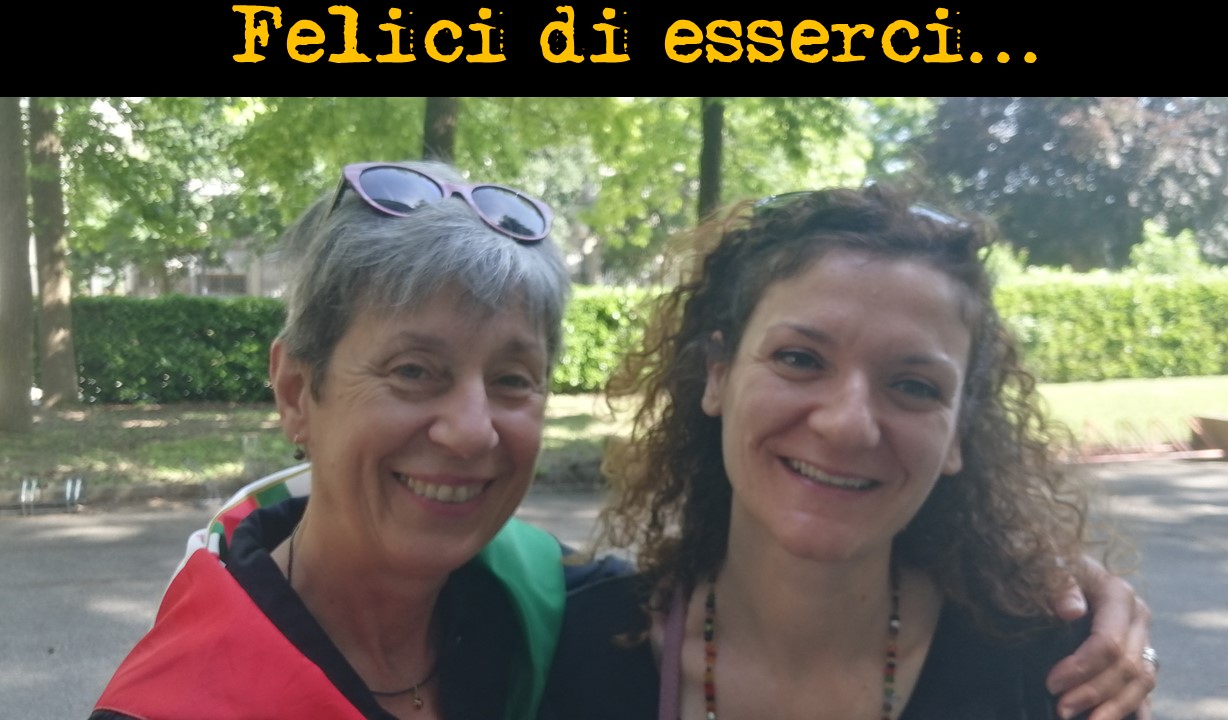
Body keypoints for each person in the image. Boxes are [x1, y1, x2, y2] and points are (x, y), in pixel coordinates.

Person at [540, 186, 1156, 720]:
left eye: (914, 386)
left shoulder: (1060, 670)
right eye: (799, 359)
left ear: (958, 435)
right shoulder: (563, 646)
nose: (847, 426)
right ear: (717, 375)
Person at [92, 160, 572, 720]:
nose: (471, 431)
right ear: (296, 393)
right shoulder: (176, 705)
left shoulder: (568, 616)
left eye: (512, 380)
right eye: (413, 370)